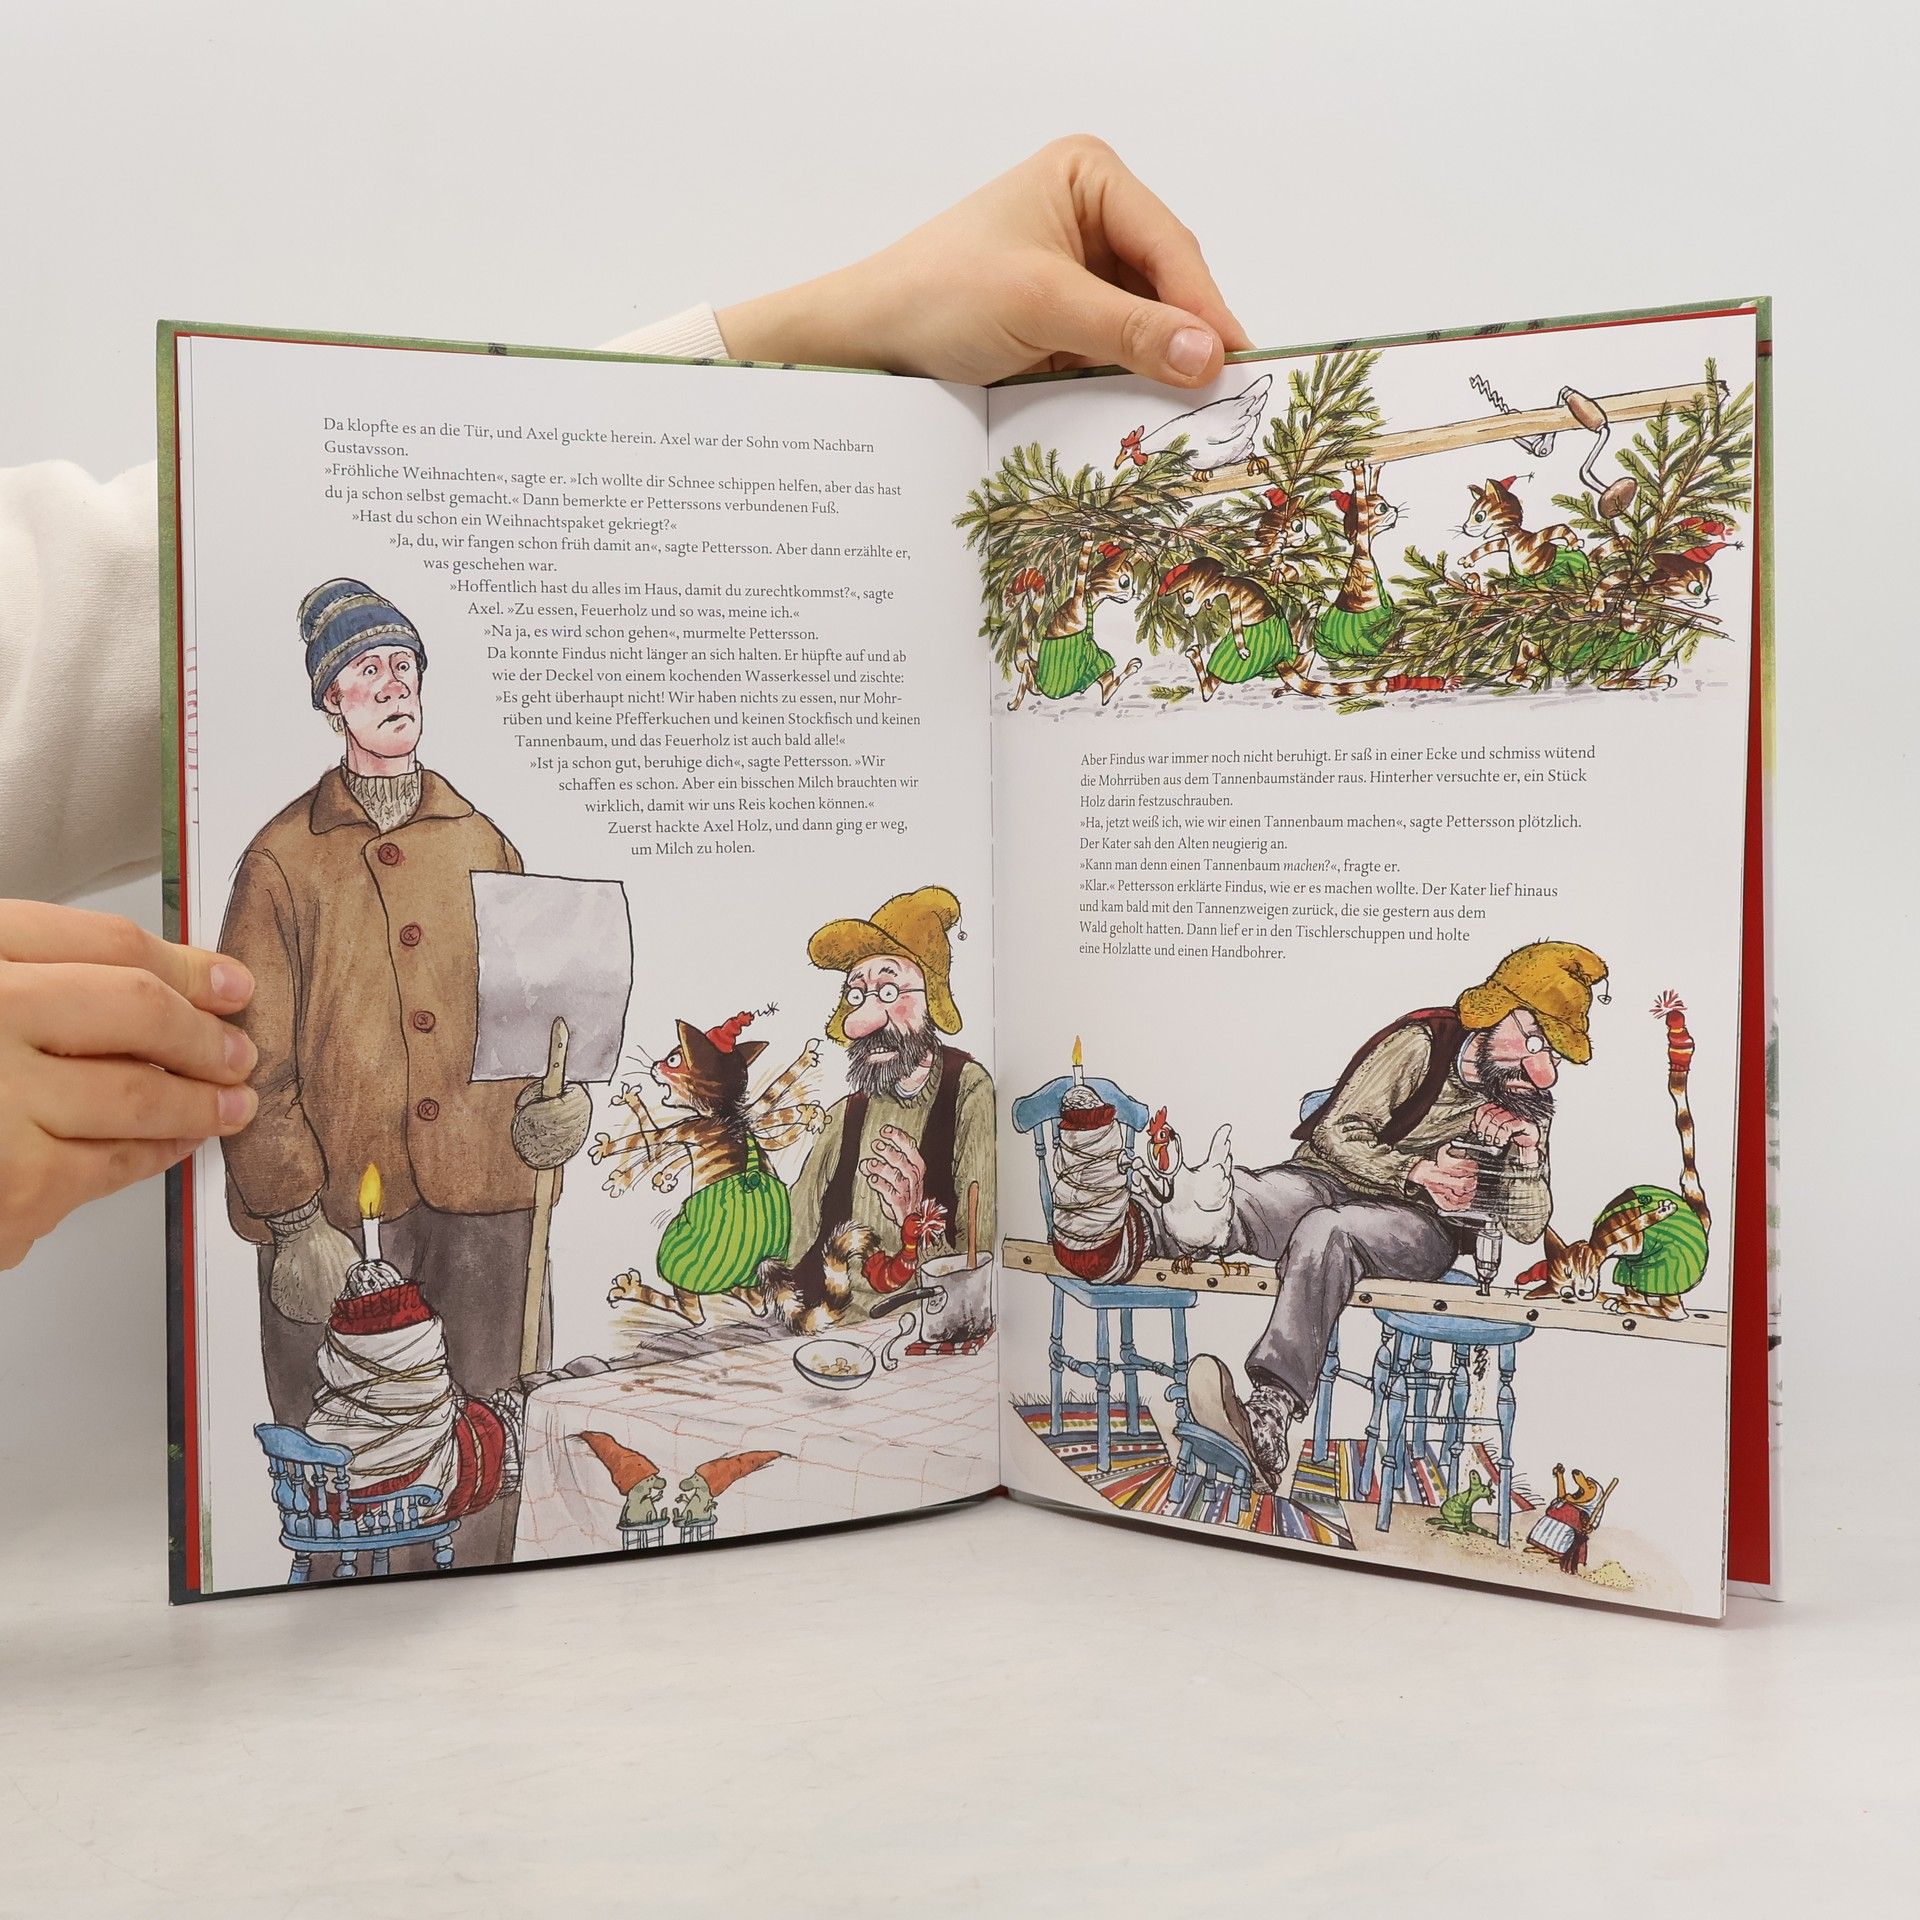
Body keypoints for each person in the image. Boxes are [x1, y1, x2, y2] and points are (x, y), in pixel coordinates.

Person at [0, 136, 1251, 1272]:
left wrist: (554, 1113)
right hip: (344, 1229)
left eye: (403, 668)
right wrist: (286, 1220)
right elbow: (256, 1050)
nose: (389, 689)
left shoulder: (484, 838)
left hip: (493, 1212)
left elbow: (83, 636)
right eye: (363, 674)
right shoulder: (281, 857)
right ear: (328, 701)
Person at [1167, 942, 1610, 1491]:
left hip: (1419, 1227)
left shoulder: (1521, 1101)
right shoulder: (1421, 1045)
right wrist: (1415, 1169)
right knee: (1254, 1196)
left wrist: (1527, 1154)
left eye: (1556, 1057)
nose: (1542, 1072)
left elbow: (1526, 1227)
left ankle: (1268, 1415)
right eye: (1537, 1041)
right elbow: (1336, 1132)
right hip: (1333, 1178)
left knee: (1328, 1230)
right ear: (1495, 1011)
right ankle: (1141, 1229)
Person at [765, 887, 995, 1331]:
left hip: (920, 1321)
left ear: (932, 999)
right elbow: (795, 1228)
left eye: (890, 990)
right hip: (824, 1319)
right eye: (856, 995)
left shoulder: (969, 1090)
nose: (863, 1022)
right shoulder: (846, 1114)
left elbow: (979, 1257)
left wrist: (914, 1222)